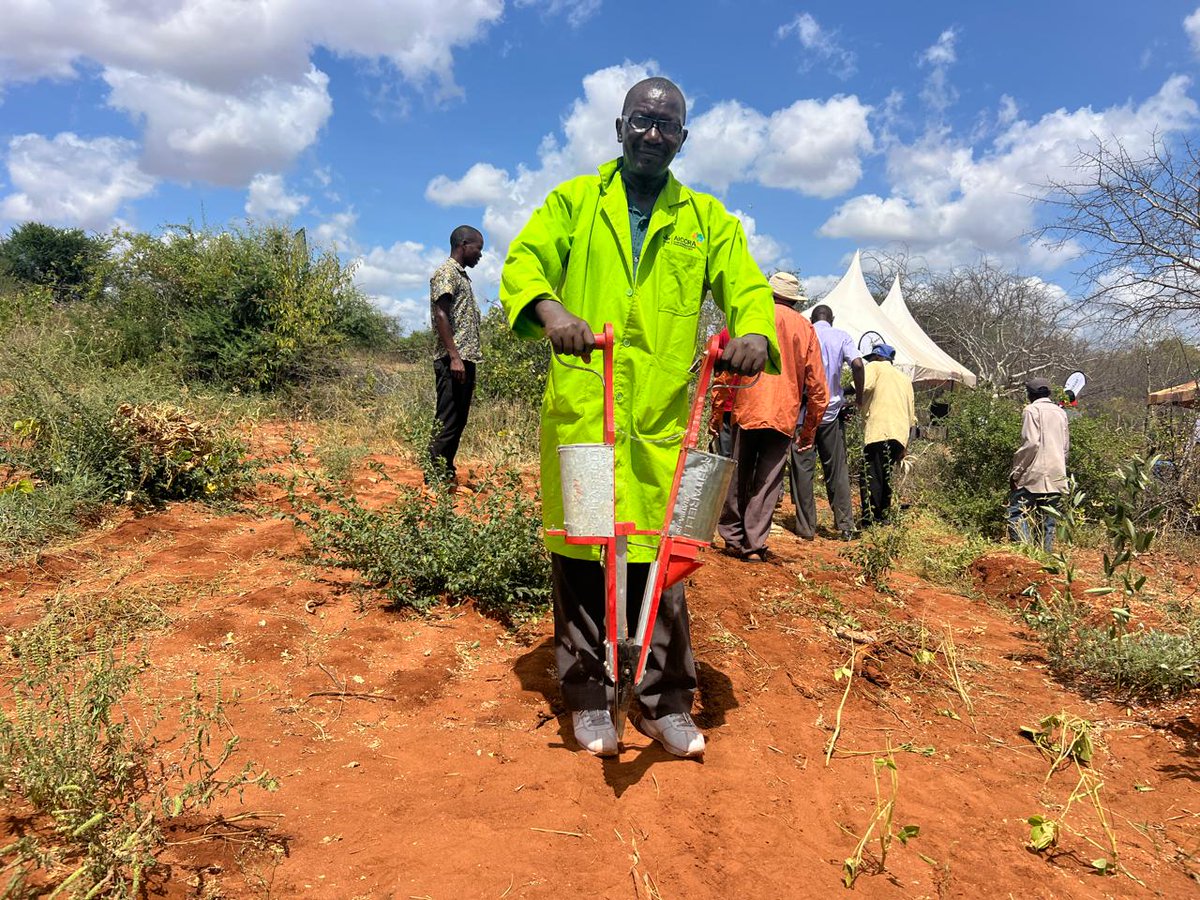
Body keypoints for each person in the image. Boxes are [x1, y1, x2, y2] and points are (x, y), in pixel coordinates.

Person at [499, 77, 779, 759]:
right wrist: (552, 311)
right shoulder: (574, 202)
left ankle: (663, 702)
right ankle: (591, 698)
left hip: (661, 425)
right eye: (643, 121)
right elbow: (525, 261)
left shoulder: (705, 218)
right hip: (586, 413)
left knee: (662, 562)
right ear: (619, 127)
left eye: (668, 125)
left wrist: (755, 336)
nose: (653, 134)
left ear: (683, 138)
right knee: (587, 557)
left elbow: (745, 286)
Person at [719, 273, 827, 559]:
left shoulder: (754, 320)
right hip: (783, 412)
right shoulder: (805, 329)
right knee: (767, 481)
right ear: (794, 300)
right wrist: (810, 429)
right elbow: (817, 384)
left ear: (770, 294)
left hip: (748, 406)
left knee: (737, 473)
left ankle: (732, 537)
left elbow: (729, 368)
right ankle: (754, 545)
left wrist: (717, 411)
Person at [789, 304, 864, 541]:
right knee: (837, 470)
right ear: (833, 319)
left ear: (811, 318)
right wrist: (859, 398)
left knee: (802, 469)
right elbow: (859, 364)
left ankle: (806, 528)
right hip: (831, 414)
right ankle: (845, 526)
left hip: (803, 413)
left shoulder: (805, 333)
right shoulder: (842, 337)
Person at [427, 225, 485, 485]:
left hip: (464, 359)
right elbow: (441, 314)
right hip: (453, 361)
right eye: (478, 249)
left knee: (458, 421)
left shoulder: (462, 277)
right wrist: (454, 357)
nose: (480, 255)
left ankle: (446, 474)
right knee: (448, 420)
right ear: (463, 244)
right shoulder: (446, 272)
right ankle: (434, 478)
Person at [1008, 377, 1070, 553]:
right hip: (1057, 473)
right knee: (1047, 521)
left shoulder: (1031, 410)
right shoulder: (1061, 412)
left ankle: (1025, 555)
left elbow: (1031, 443)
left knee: (1017, 514)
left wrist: (1017, 472)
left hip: (1033, 473)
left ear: (1030, 394)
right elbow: (1065, 447)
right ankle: (1045, 558)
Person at [858, 344, 915, 526]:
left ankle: (869, 520)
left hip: (879, 430)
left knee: (870, 475)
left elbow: (859, 385)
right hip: (899, 434)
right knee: (886, 474)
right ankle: (883, 517)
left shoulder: (875, 367)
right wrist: (906, 445)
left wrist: (837, 392)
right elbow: (911, 414)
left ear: (877, 357)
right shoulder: (905, 379)